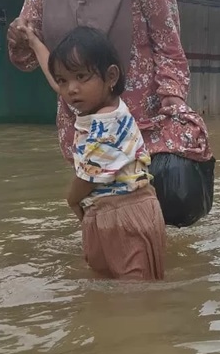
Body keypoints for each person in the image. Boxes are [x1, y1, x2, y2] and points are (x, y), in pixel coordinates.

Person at [7, 0, 214, 228]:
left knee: (150, 224)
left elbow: (169, 49)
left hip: (143, 129)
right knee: (104, 226)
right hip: (83, 130)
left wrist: (172, 107)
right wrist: (17, 40)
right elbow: (27, 55)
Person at [24, 25, 165, 279]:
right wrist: (34, 42)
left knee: (137, 295)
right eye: (63, 81)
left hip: (125, 214)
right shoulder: (97, 105)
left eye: (81, 77)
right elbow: (57, 78)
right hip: (105, 213)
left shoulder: (107, 122)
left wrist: (71, 199)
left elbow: (88, 177)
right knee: (111, 288)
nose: (70, 89)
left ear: (111, 77)